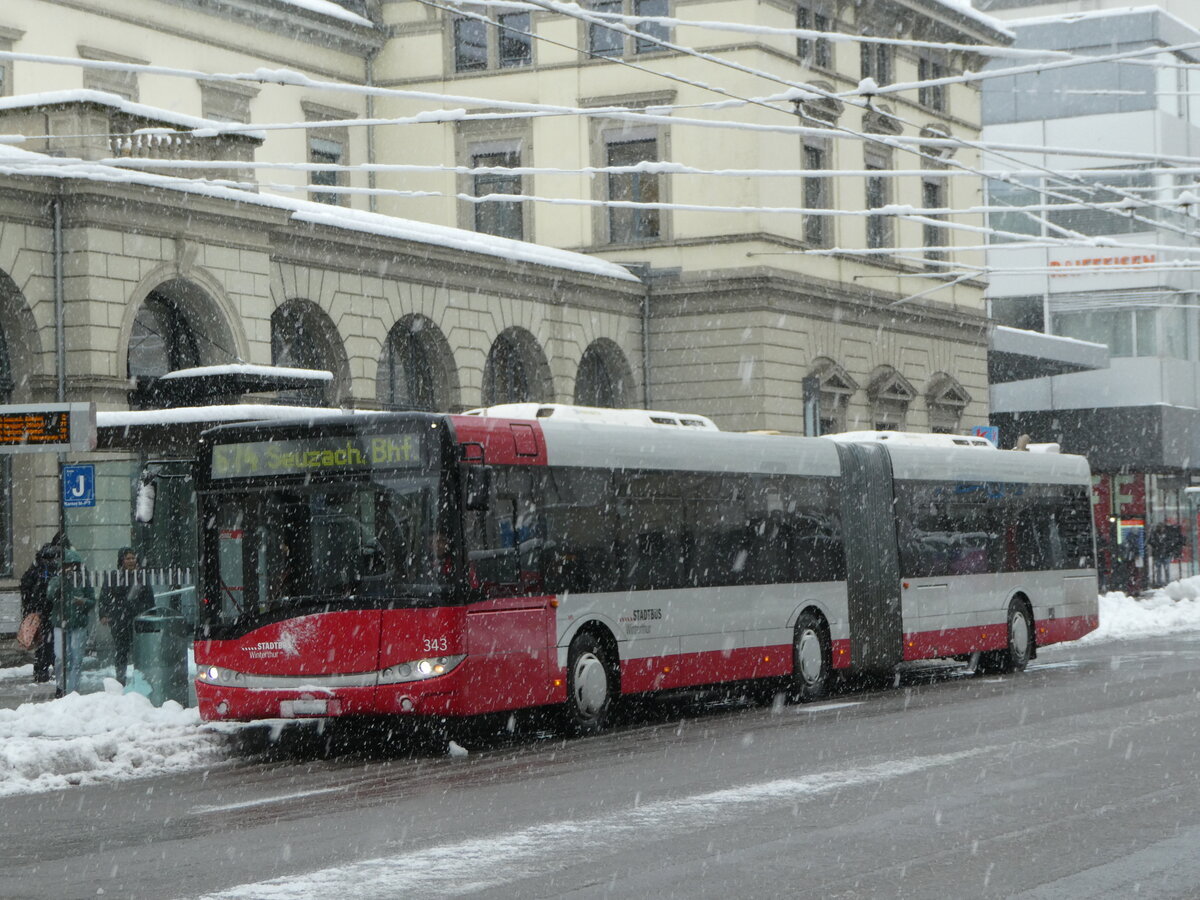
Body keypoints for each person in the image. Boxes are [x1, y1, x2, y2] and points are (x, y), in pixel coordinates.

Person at [98, 547, 155, 686]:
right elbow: (104, 596)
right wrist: (104, 614)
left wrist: (150, 615)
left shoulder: (142, 576)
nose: (130, 561)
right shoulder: (113, 576)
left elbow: (149, 598)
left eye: (132, 558)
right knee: (121, 651)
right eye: (127, 558)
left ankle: (140, 681)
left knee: (139, 652)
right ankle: (120, 681)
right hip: (119, 620)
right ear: (121, 561)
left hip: (138, 619)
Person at [47, 548, 96, 695]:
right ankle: (61, 688)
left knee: (76, 659)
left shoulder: (83, 580)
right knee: (61, 658)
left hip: (78, 624)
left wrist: (84, 602)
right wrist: (60, 580)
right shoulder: (56, 580)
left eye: (73, 565)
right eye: (67, 565)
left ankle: (73, 690)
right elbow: (50, 595)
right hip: (60, 624)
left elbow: (92, 600)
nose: (70, 569)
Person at [19, 541, 59, 683]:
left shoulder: (36, 568)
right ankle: (45, 669)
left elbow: (26, 586)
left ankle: (41, 670)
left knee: (44, 643)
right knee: (49, 643)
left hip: (39, 611)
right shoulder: (46, 569)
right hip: (46, 611)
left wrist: (30, 608)